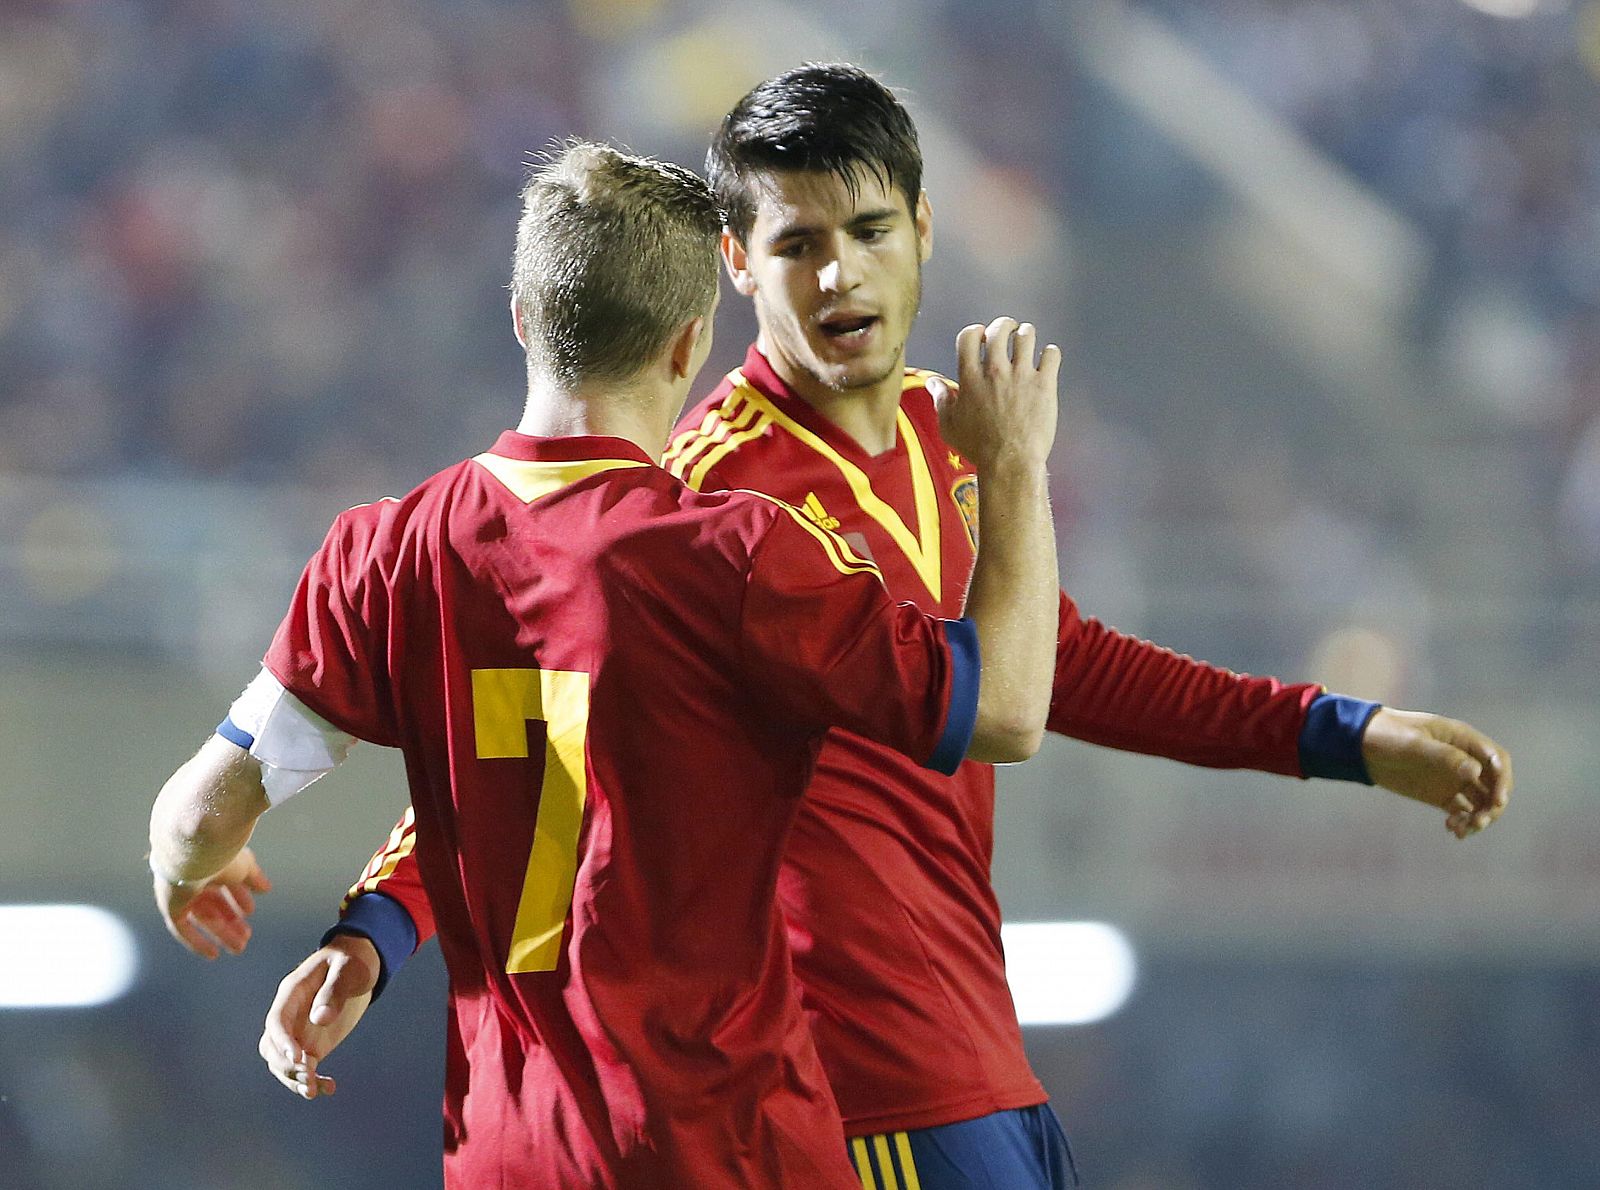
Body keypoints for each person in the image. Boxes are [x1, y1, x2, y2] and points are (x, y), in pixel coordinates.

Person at [253, 67, 1514, 1190]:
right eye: (797, 242)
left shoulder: (942, 430)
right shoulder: (698, 501)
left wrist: (1341, 731)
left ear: (923, 229)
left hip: (973, 1054)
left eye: (867, 230)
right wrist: (378, 925)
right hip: (835, 1090)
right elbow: (531, 737)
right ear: (735, 268)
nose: (840, 272)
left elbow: (1056, 662)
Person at [148, 138, 1069, 1189]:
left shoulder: (384, 550)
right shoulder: (741, 556)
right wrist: (1010, 466)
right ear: (689, 346)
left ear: (522, 320)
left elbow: (196, 816)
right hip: (723, 1148)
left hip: (506, 1152)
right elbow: (1001, 707)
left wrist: (200, 872)